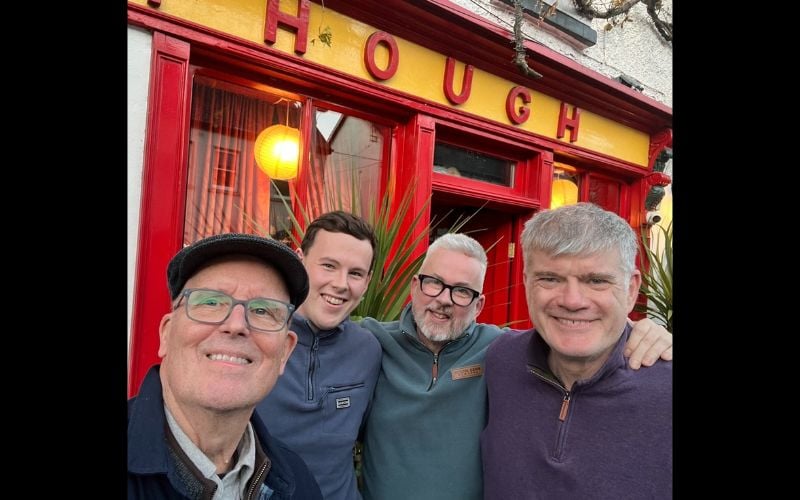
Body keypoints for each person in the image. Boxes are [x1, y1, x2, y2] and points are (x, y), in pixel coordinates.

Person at [359, 231, 673, 500]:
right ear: (415, 287)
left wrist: (646, 330)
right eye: (434, 283)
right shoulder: (369, 343)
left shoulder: (501, 349)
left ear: (478, 305)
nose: (444, 299)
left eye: (462, 291)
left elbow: (573, 327)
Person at [480, 203, 672, 498]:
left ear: (631, 290)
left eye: (596, 281)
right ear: (527, 283)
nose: (572, 300)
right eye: (550, 278)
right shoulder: (499, 357)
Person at [127, 233, 323, 499]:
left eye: (263, 310)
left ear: (285, 353)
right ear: (166, 334)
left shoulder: (297, 482)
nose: (236, 325)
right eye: (210, 302)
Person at [256, 211, 382, 500]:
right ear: (300, 260)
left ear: (367, 281)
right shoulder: (254, 336)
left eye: (355, 273)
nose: (340, 284)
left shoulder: (368, 350)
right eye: (328, 265)